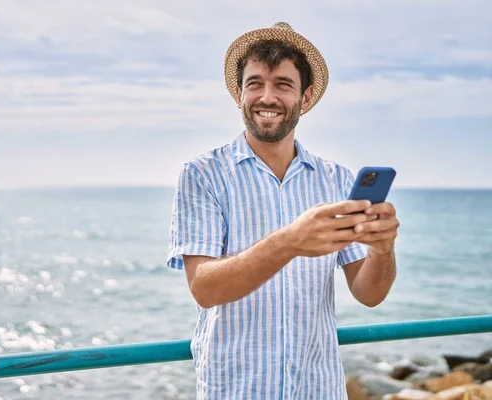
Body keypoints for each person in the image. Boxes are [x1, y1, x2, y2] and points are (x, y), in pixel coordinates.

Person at [166, 22, 399, 399]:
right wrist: (289, 242)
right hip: (235, 390)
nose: (267, 96)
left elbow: (368, 293)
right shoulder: (203, 174)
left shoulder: (336, 179)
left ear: (305, 98)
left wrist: (383, 248)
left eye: (283, 84)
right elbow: (205, 288)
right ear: (239, 93)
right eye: (255, 83)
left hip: (319, 389)